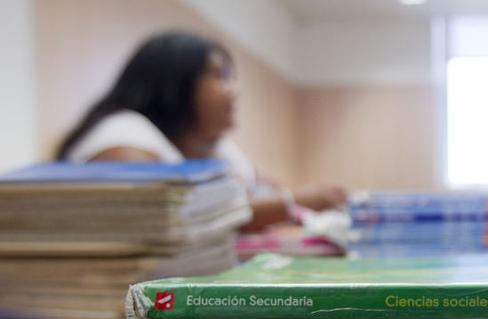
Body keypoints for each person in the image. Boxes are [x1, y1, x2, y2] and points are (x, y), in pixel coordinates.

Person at [56, 31, 346, 229]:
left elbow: (261, 187)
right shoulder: (123, 142)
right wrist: (290, 203)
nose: (234, 91)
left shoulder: (210, 146)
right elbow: (177, 221)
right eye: (221, 76)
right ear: (174, 84)